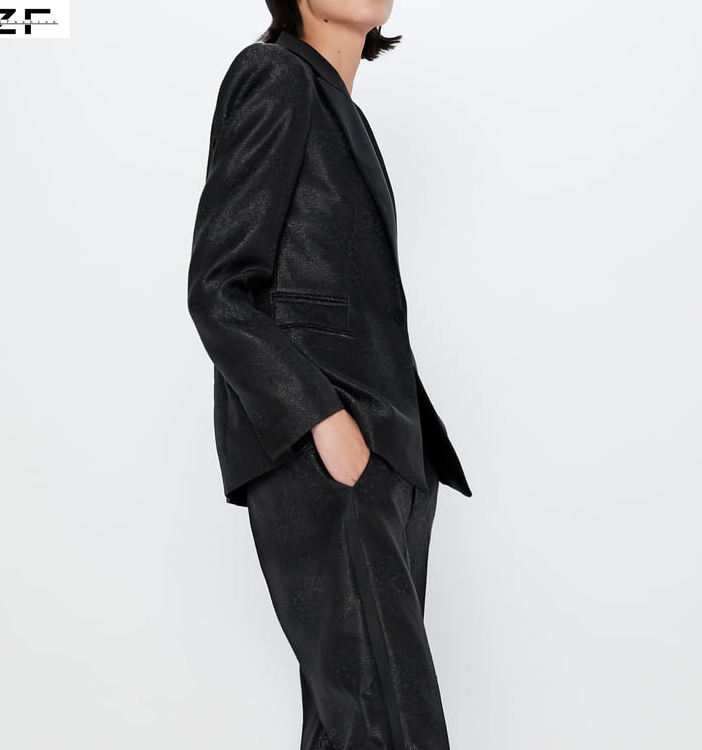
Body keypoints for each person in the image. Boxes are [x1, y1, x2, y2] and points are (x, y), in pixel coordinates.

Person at [187, 1, 473, 747]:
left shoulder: (335, 106)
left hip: (383, 451)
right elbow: (218, 287)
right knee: (385, 723)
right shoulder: (274, 75)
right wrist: (321, 418)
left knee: (354, 723)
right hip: (330, 444)